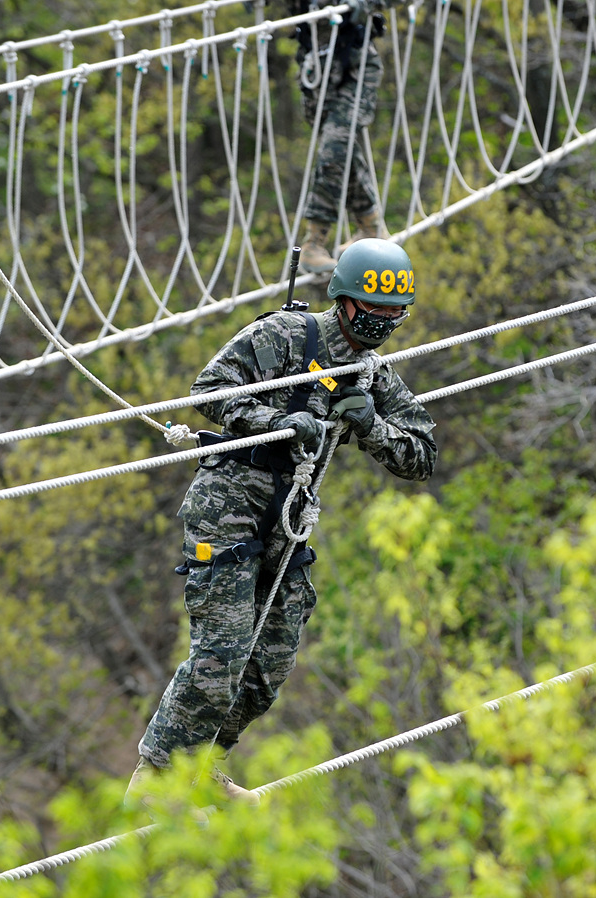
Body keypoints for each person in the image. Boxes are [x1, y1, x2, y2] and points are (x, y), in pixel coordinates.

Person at [128, 238, 436, 806]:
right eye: (373, 312)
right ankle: (154, 780)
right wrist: (279, 418)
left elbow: (422, 455)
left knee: (269, 664)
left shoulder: (372, 376)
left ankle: (201, 769)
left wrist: (372, 428)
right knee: (222, 652)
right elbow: (209, 390)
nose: (382, 325)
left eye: (395, 315)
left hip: (286, 528)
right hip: (227, 514)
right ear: (343, 301)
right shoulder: (283, 337)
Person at [289, 0, 396, 274]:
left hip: (356, 66)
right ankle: (371, 227)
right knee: (342, 151)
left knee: (335, 148)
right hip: (317, 73)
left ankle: (313, 242)